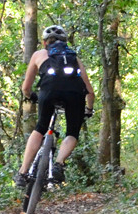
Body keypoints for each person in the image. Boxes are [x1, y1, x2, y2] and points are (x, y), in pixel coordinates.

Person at [15, 25, 95, 189]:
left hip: (48, 92)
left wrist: (31, 96)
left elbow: (25, 88)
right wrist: (88, 108)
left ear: (45, 42)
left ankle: (22, 173)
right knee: (72, 132)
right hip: (74, 94)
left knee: (40, 129)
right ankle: (58, 164)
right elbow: (90, 91)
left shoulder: (38, 55)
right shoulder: (73, 58)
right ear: (65, 42)